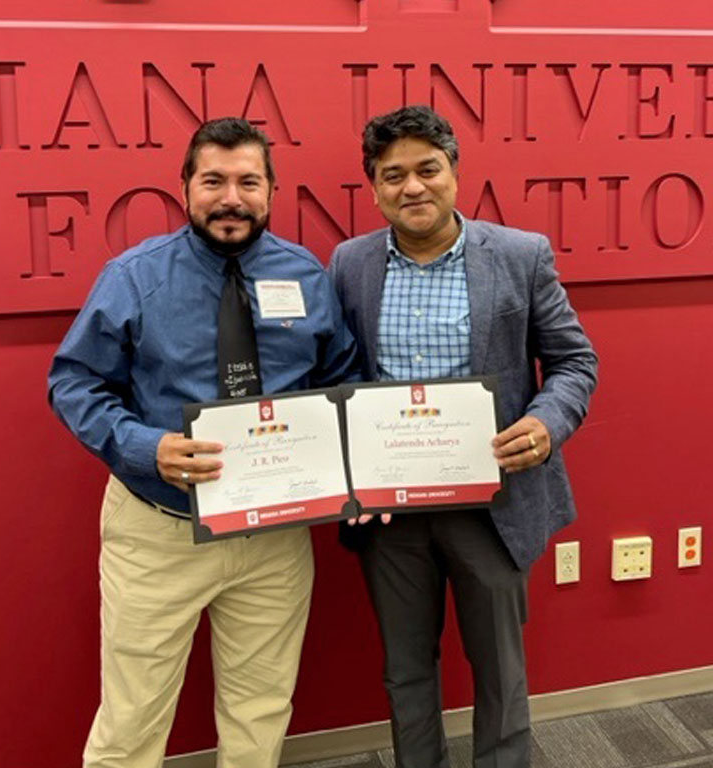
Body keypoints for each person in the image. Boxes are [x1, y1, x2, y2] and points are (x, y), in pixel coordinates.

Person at [48, 117, 358, 768]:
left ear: (272, 189)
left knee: (261, 711)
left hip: (275, 536)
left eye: (248, 181)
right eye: (213, 180)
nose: (231, 198)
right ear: (184, 187)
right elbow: (74, 381)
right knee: (132, 718)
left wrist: (354, 463)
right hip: (160, 531)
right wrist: (142, 445)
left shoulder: (305, 276)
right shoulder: (133, 277)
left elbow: (343, 381)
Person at [329, 106, 597, 768]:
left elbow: (573, 363)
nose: (412, 187)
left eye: (428, 169)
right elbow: (336, 376)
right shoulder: (349, 264)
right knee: (406, 668)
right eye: (394, 175)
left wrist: (546, 423)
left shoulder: (520, 254)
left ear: (455, 172)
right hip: (391, 511)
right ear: (374, 187)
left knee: (500, 670)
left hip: (494, 504)